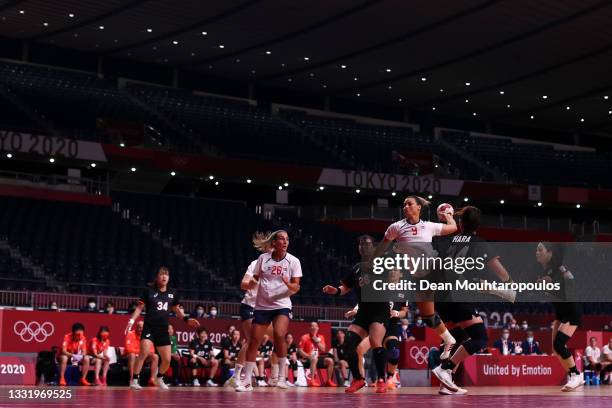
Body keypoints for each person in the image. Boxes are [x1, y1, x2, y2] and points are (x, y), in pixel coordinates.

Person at [432, 206, 514, 395]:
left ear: (460, 223)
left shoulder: (448, 240)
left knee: (458, 338)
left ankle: (446, 383)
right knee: (480, 338)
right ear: (478, 225)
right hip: (459, 295)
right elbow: (501, 272)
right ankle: (445, 369)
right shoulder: (480, 243)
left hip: (441, 297)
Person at [373, 196, 459, 362]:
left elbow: (453, 227)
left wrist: (449, 215)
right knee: (428, 316)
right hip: (410, 276)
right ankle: (450, 339)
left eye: (409, 204)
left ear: (419, 207)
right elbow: (382, 246)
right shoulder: (396, 227)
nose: (405, 206)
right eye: (404, 204)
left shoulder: (429, 226)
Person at [236, 230, 302, 392]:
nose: (285, 242)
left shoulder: (293, 261)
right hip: (261, 305)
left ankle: (280, 378)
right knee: (253, 341)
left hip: (282, 304)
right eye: (281, 239)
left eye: (287, 239)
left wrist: (289, 285)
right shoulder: (262, 260)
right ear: (273, 243)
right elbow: (254, 279)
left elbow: (296, 287)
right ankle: (246, 381)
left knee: (280, 335)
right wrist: (250, 283)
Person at [322, 235, 387, 393]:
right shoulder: (357, 268)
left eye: (367, 244)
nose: (364, 247)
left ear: (373, 247)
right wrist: (335, 291)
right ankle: (358, 379)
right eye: (361, 245)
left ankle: (382, 380)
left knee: (376, 343)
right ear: (358, 248)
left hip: (379, 311)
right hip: (363, 313)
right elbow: (345, 288)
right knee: (348, 345)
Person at [125, 266, 200, 390]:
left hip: (163, 330)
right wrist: (131, 320)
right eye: (161, 274)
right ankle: (134, 379)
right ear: (157, 277)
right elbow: (139, 308)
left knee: (167, 359)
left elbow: (177, 310)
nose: (164, 276)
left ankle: (160, 377)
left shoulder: (172, 293)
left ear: (169, 278)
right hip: (149, 327)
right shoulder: (148, 291)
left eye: (166, 274)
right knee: (143, 353)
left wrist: (187, 320)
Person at [535, 242, 583, 391]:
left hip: (571, 311)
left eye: (540, 249)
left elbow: (572, 282)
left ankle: (576, 375)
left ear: (549, 253)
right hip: (560, 313)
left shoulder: (559, 267)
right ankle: (572, 374)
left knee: (559, 344)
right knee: (555, 349)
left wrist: (554, 282)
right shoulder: (543, 271)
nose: (536, 252)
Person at [298, 321, 336, 387]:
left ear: (318, 328)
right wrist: (308, 356)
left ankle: (329, 380)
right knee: (314, 359)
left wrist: (317, 341)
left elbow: (323, 349)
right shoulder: (305, 337)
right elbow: (300, 350)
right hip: (307, 359)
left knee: (330, 360)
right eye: (312, 326)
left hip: (316, 358)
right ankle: (312, 381)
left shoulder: (321, 337)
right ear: (309, 328)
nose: (314, 327)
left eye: (315, 326)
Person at [125, 320, 158, 386]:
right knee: (132, 355)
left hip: (143, 356)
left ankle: (152, 379)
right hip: (131, 356)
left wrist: (143, 353)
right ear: (136, 327)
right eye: (139, 327)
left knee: (155, 356)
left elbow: (152, 350)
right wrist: (142, 352)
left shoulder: (148, 336)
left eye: (143, 328)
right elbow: (129, 349)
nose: (141, 329)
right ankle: (132, 378)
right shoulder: (130, 334)